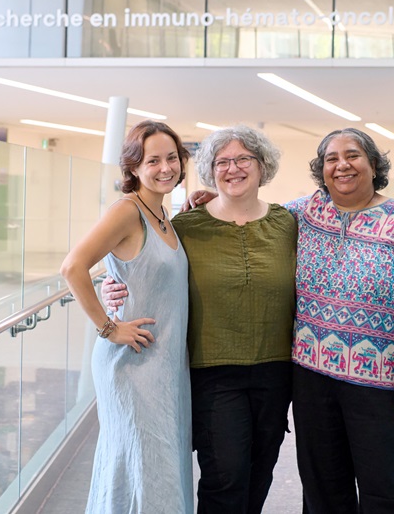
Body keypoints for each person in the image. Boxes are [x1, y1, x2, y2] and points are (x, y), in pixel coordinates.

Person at [103, 125, 296, 513]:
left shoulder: (289, 223)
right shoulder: (187, 226)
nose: (234, 168)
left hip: (276, 373)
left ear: (262, 167)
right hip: (213, 373)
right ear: (210, 170)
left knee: (261, 473)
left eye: (244, 159)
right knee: (225, 477)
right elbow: (145, 263)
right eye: (223, 161)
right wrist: (113, 291)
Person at [288, 127, 394, 514]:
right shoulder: (302, 213)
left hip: (380, 382)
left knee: (386, 486)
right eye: (331, 159)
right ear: (321, 170)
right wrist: (205, 202)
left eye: (352, 155)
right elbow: (248, 222)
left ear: (373, 164)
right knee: (322, 485)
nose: (342, 165)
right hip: (311, 376)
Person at [59, 120, 193, 514]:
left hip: (164, 365)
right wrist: (108, 327)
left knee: (157, 468)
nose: (165, 167)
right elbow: (72, 267)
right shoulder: (127, 211)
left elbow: (143, 271)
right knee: (143, 467)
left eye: (172, 158)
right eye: (153, 160)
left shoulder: (162, 215)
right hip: (133, 364)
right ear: (133, 167)